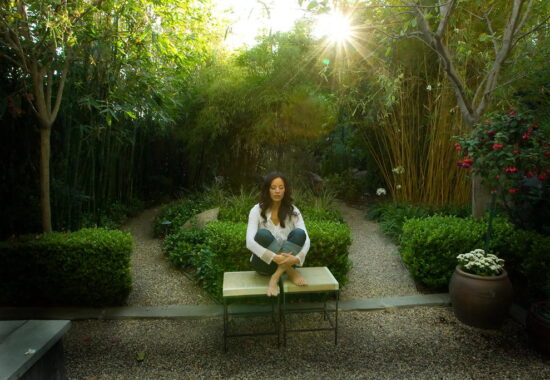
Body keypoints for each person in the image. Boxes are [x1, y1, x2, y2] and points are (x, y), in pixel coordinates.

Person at [246, 172, 310, 296]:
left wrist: (297, 258)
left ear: (285, 190)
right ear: (267, 190)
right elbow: (249, 242)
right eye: (273, 187)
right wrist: (275, 257)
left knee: (300, 233)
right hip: (264, 264)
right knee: (262, 235)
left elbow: (306, 240)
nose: (277, 191)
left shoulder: (294, 211)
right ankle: (291, 272)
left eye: (281, 187)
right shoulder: (256, 211)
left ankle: (275, 277)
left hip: (288, 262)